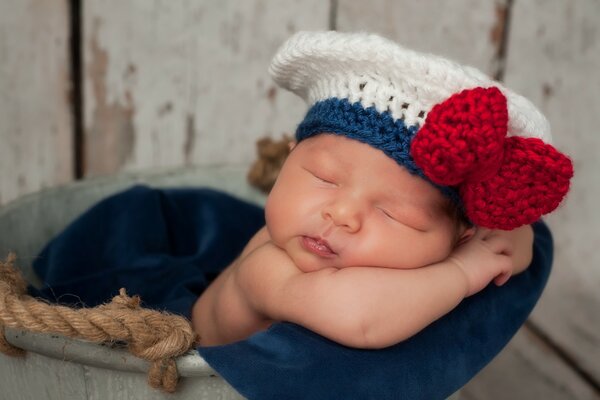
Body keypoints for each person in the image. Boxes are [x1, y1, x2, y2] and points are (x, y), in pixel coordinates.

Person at [192, 31, 573, 349]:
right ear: (288, 161)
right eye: (324, 178)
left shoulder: (434, 252)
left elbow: (512, 246)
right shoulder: (270, 266)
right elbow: (359, 318)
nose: (342, 214)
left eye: (393, 214)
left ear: (459, 237)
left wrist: (502, 241)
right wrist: (462, 270)